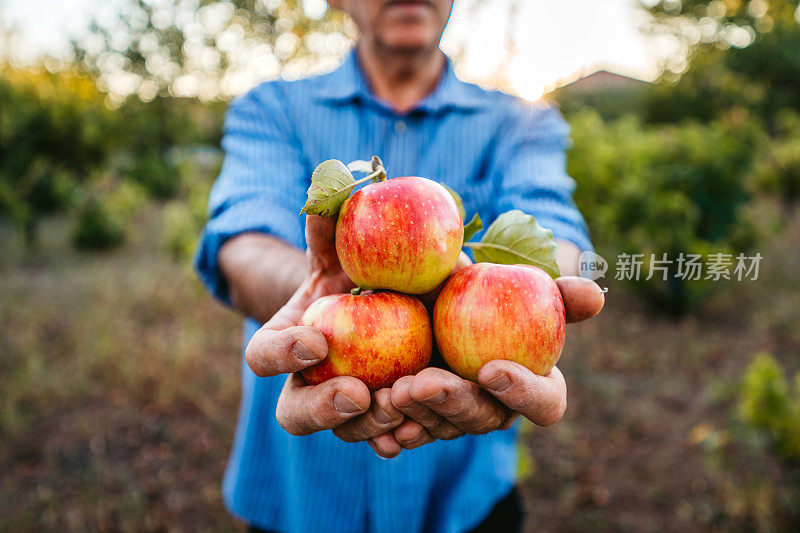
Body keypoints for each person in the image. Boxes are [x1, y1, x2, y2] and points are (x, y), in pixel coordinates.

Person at [194, 1, 604, 532]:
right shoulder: (274, 108)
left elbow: (560, 238)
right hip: (300, 500)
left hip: (462, 500)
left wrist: (555, 285)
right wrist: (322, 296)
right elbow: (241, 242)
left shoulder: (523, 119)